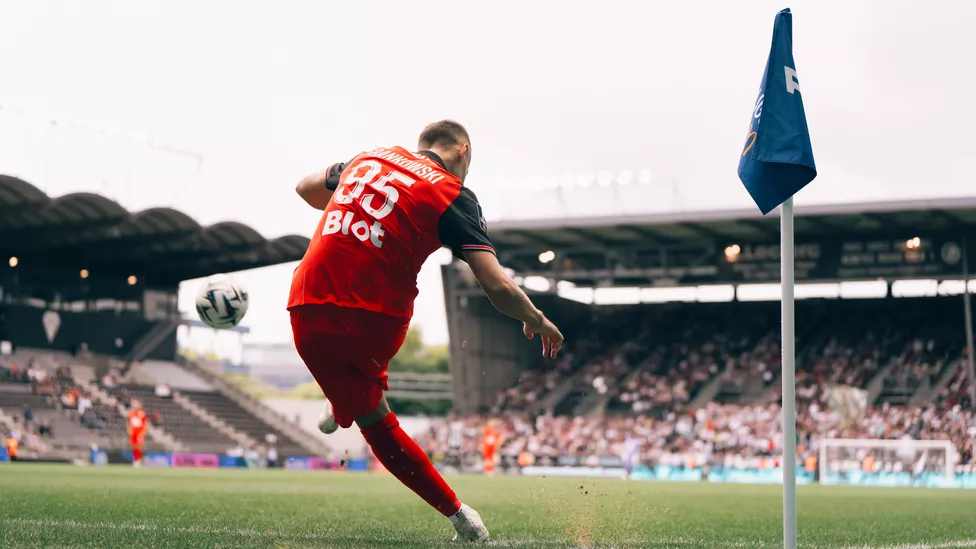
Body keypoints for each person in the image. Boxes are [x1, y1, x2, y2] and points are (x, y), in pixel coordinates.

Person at [289, 120, 563, 543]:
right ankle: (460, 515)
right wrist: (535, 317)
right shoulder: (452, 193)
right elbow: (496, 285)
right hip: (373, 320)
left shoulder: (370, 157)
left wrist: (357, 209)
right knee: (376, 419)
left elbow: (306, 189)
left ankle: (341, 399)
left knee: (354, 385)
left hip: (304, 305)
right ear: (463, 151)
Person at [127, 399, 149, 467]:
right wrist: (129, 429)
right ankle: (136, 458)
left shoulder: (142, 413)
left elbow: (145, 422)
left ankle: (138, 460)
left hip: (139, 432)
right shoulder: (131, 413)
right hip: (133, 432)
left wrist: (144, 430)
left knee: (139, 446)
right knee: (133, 446)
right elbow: (128, 422)